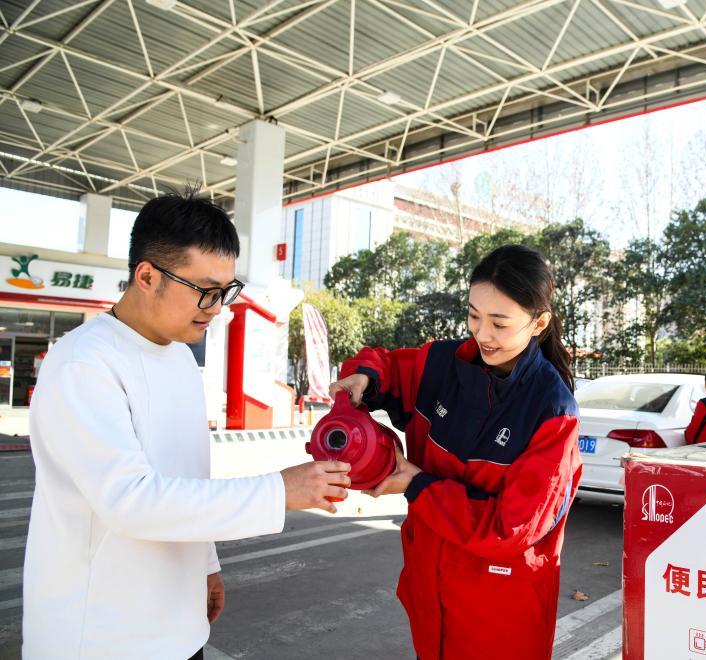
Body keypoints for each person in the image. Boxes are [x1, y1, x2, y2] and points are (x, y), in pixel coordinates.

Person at [22, 192, 351, 660]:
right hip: (99, 635)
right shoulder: (84, 363)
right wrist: (278, 490)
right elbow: (131, 500)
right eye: (205, 289)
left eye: (225, 291)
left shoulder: (179, 356)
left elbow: (187, 474)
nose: (216, 307)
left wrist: (205, 562)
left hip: (179, 629)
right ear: (147, 276)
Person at [329, 244, 582, 660]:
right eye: (473, 315)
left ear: (538, 322)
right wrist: (364, 377)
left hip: (500, 614)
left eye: (499, 323)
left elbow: (509, 529)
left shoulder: (552, 412)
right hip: (431, 593)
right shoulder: (440, 365)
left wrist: (416, 484)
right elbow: (386, 364)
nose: (482, 334)